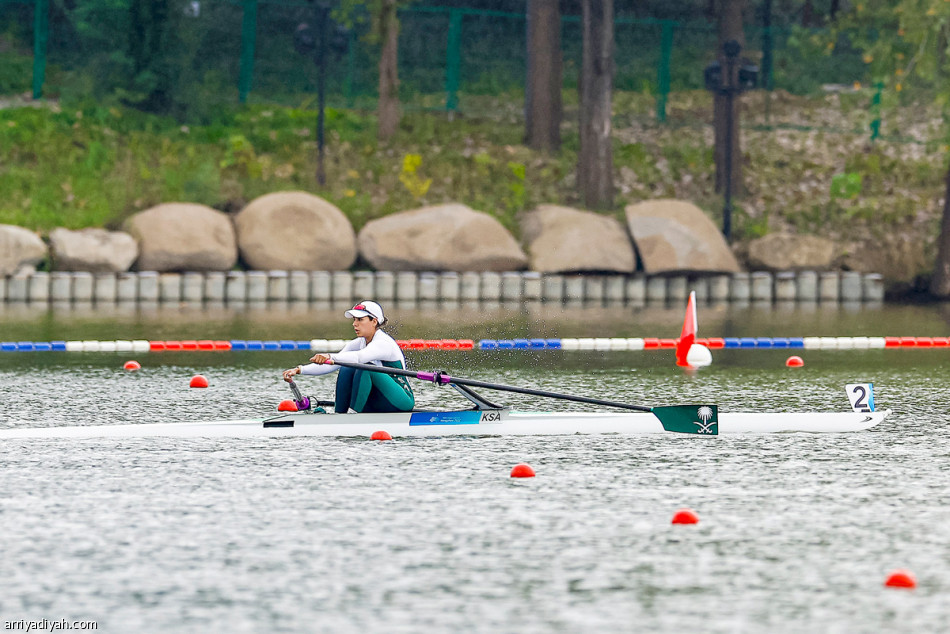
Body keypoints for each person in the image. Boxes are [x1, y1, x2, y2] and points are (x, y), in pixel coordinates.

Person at [282, 300, 415, 414]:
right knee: (346, 368)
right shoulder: (359, 343)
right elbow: (333, 364)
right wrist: (299, 370)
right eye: (354, 320)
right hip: (378, 398)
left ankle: (352, 415)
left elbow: (359, 358)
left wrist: (328, 355)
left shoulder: (383, 343)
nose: (354, 324)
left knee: (366, 369)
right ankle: (340, 414)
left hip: (400, 400)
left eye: (360, 320)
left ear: (374, 321)